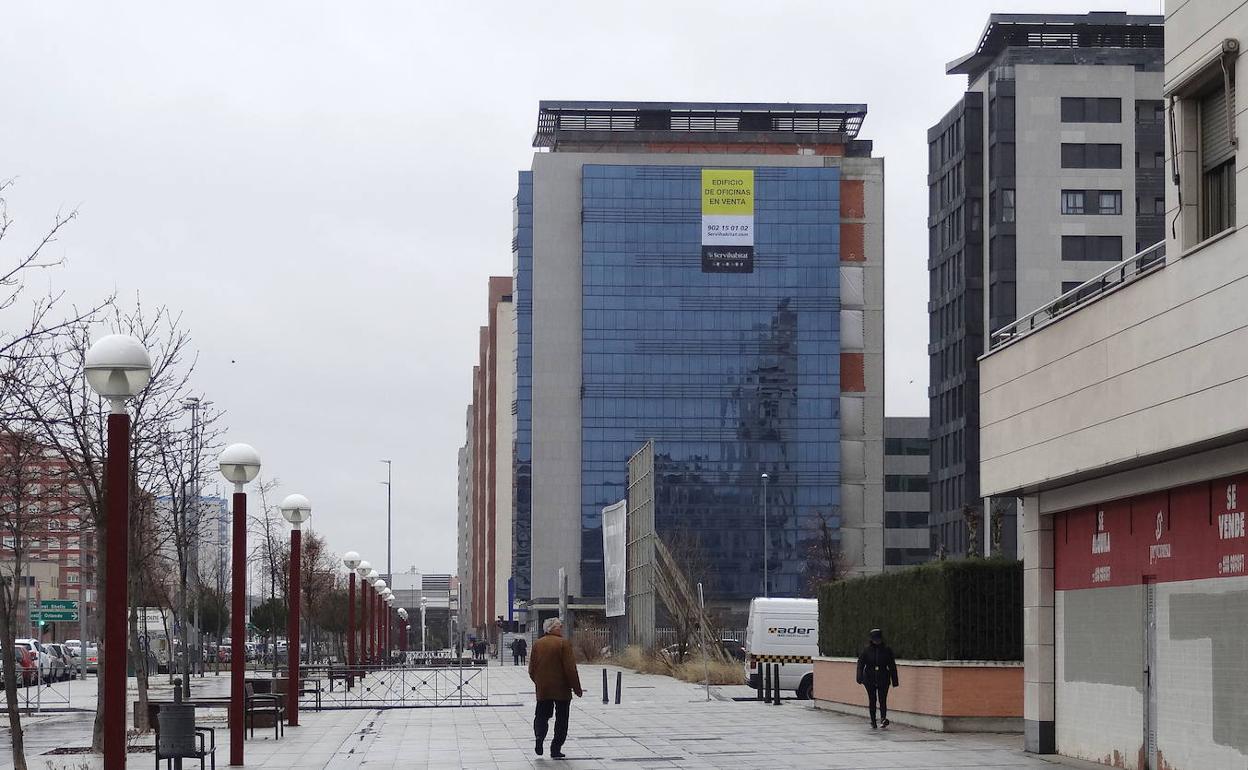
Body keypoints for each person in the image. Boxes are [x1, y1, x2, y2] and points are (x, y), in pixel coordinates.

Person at [528, 617, 582, 759]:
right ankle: (555, 748)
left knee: (541, 715)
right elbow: (570, 668)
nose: (562, 628)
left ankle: (539, 737)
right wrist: (577, 688)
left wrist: (539, 682)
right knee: (562, 718)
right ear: (551, 629)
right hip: (562, 688)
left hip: (544, 688)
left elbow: (531, 669)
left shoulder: (538, 644)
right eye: (559, 626)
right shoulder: (563, 644)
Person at [855, 628, 899, 729]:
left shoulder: (887, 650)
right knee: (872, 699)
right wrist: (859, 676)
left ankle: (883, 718)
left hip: (883, 677)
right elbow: (860, 664)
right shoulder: (866, 650)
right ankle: (873, 720)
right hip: (869, 678)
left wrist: (894, 680)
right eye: (875, 639)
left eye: (878, 639)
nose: (877, 641)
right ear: (871, 640)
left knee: (882, 699)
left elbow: (892, 665)